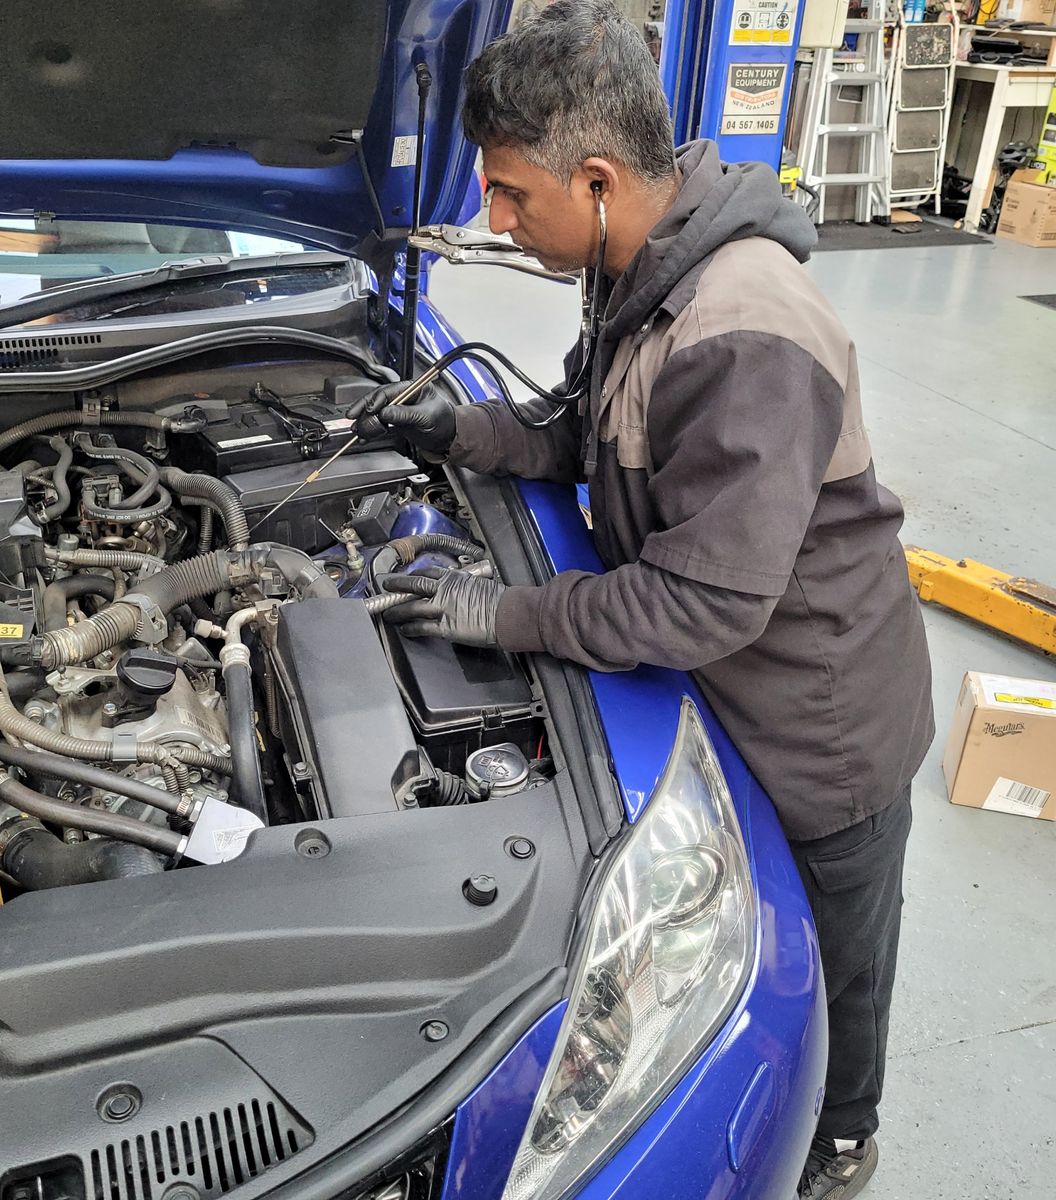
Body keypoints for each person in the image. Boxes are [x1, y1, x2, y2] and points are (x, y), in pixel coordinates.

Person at [350, 3, 934, 1196]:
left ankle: (842, 1137)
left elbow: (690, 607)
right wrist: (457, 431)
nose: (494, 221)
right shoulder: (639, 270)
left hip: (819, 718)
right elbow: (581, 431)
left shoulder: (744, 329)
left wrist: (493, 611)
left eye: (511, 195)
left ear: (600, 180)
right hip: (734, 678)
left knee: (827, 959)